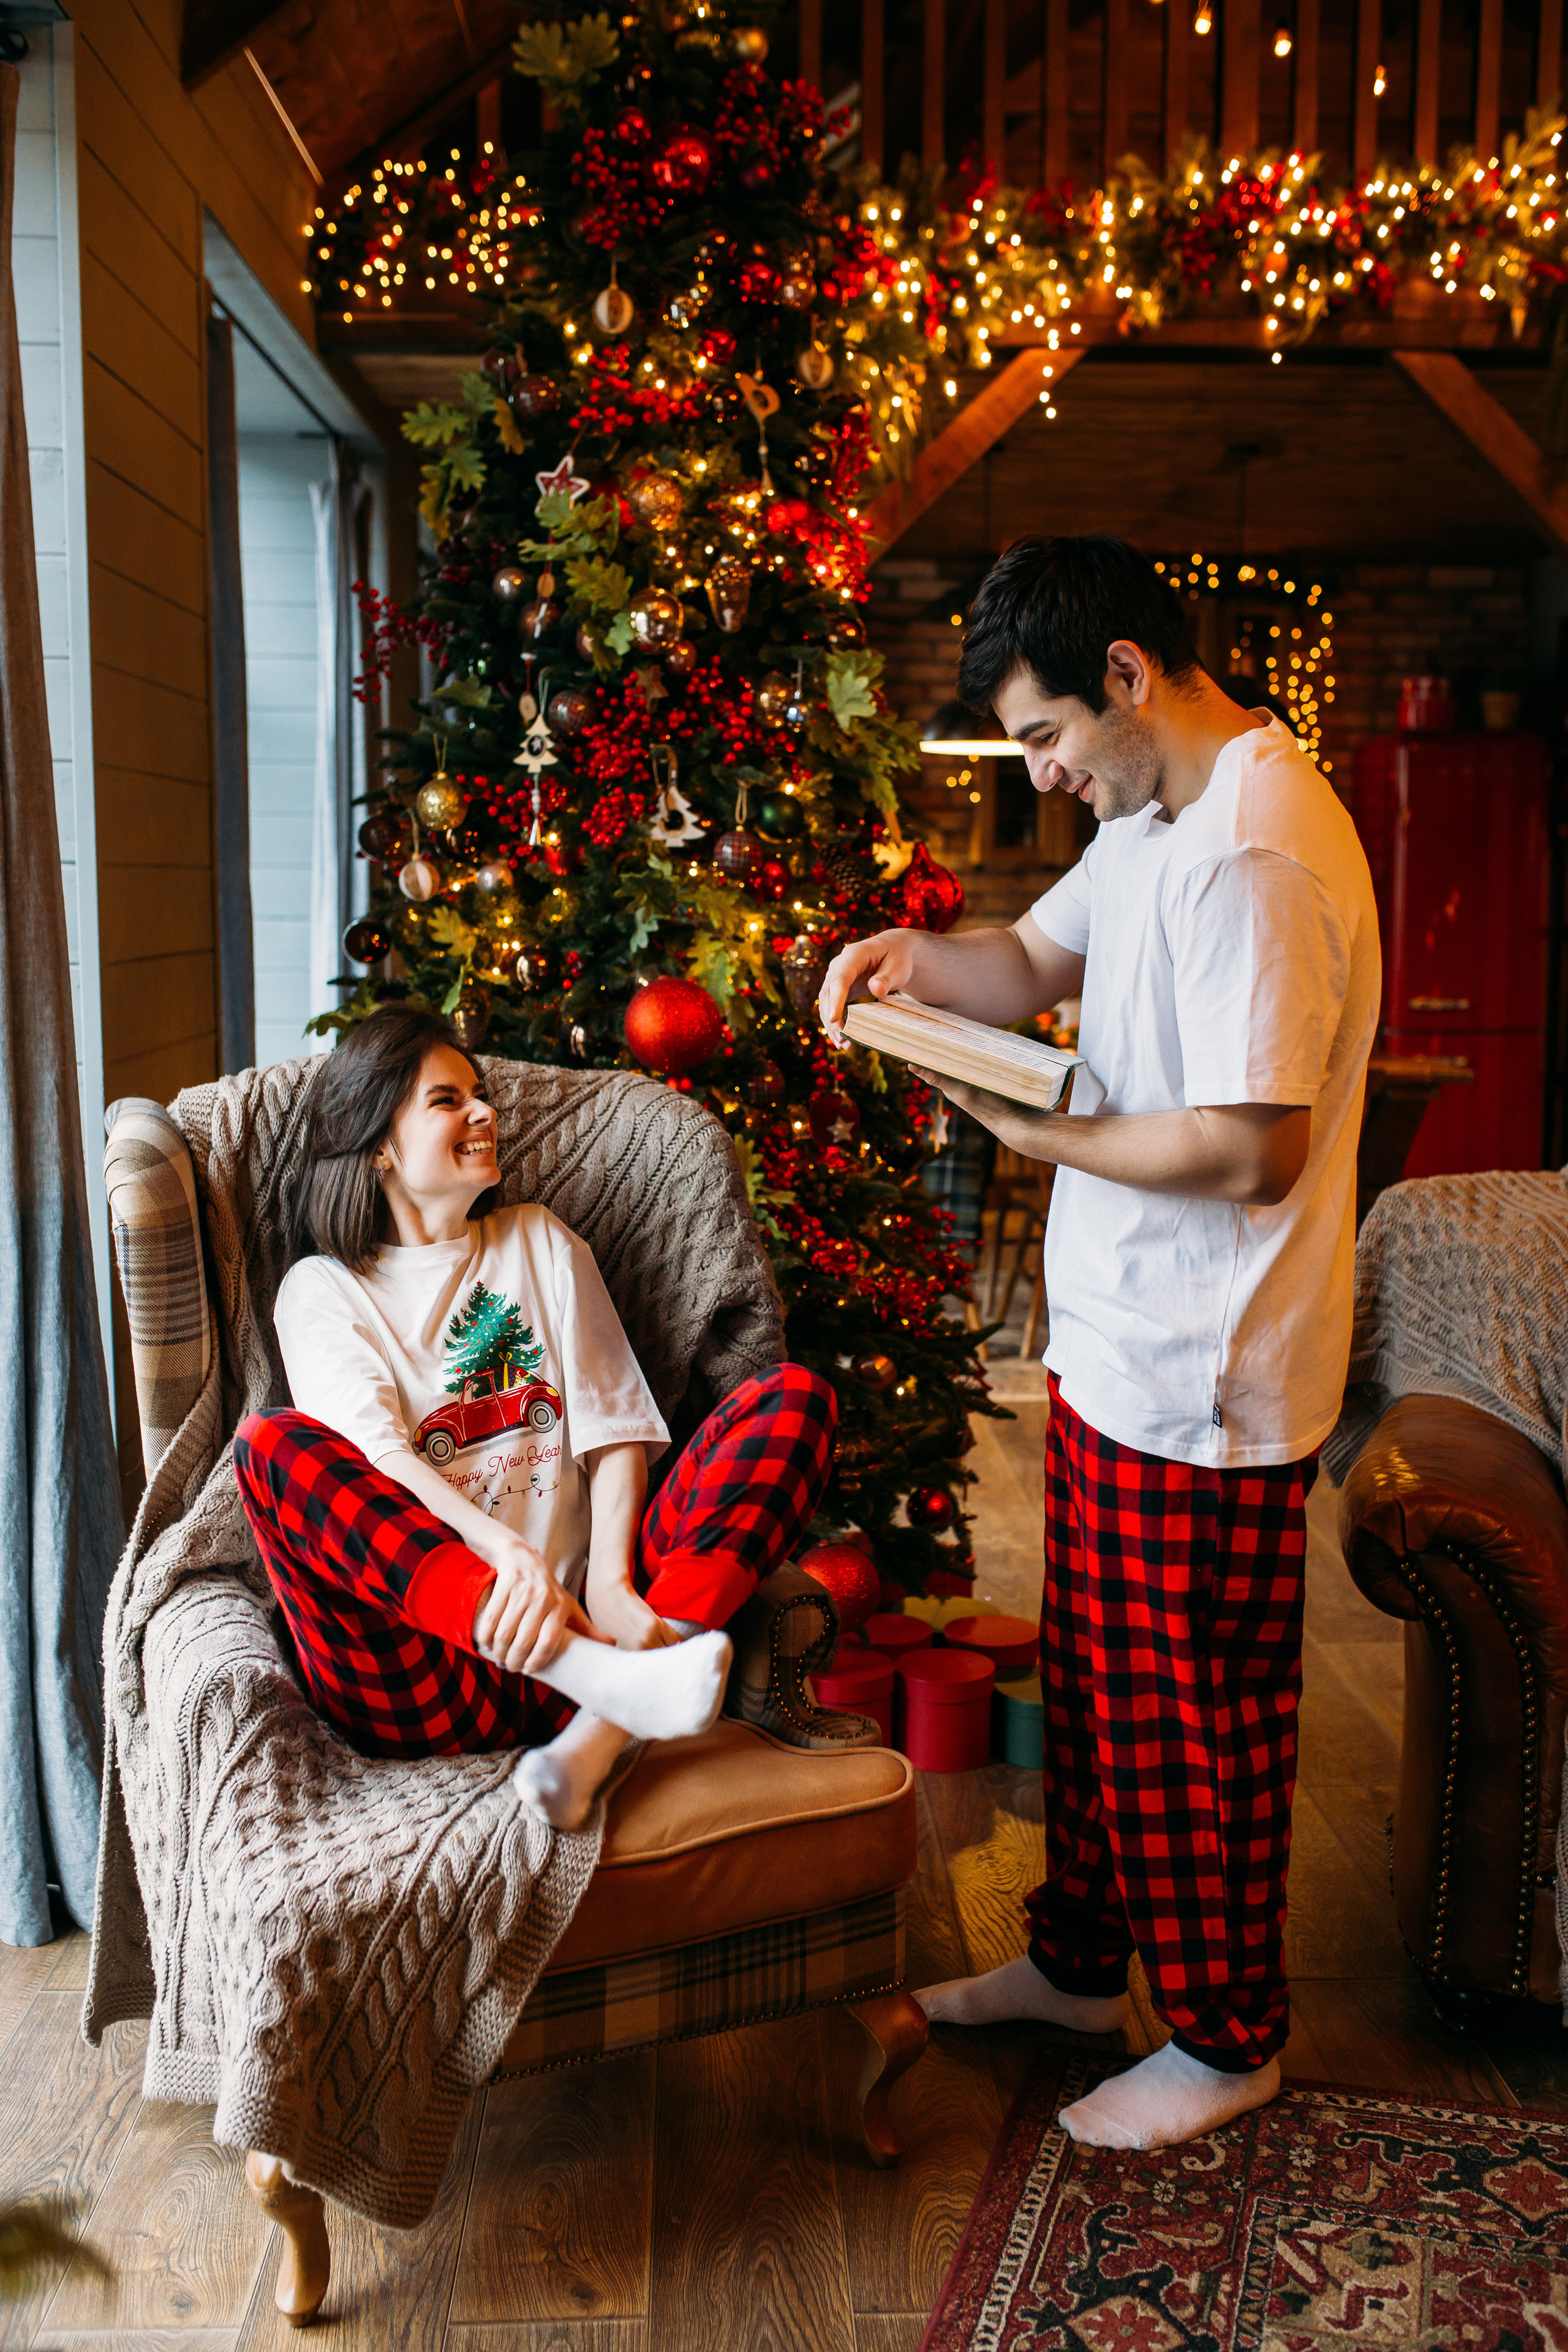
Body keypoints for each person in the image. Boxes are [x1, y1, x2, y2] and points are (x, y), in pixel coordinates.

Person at [820, 534, 1379, 2151]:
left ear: (1128, 674)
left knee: (1181, 1717)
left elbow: (1249, 1147)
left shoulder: (1254, 850)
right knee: (1104, 1687)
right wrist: (909, 963)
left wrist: (1036, 1136)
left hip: (1207, 1368)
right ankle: (1079, 1966)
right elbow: (1030, 959)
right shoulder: (1148, 812)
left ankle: (1224, 2041)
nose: (1043, 774)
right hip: (1119, 1343)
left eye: (1049, 735)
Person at [233, 1005, 838, 1831]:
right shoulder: (324, 1288)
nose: (485, 1112)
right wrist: (500, 1550)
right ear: (379, 1144)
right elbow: (378, 1459)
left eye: (480, 1094)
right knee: (271, 1447)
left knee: (792, 1400)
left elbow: (613, 1419)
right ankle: (600, 1685)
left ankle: (597, 1735)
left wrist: (612, 1581)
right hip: (428, 1681)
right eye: (449, 1101)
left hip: (600, 1628)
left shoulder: (539, 1242)